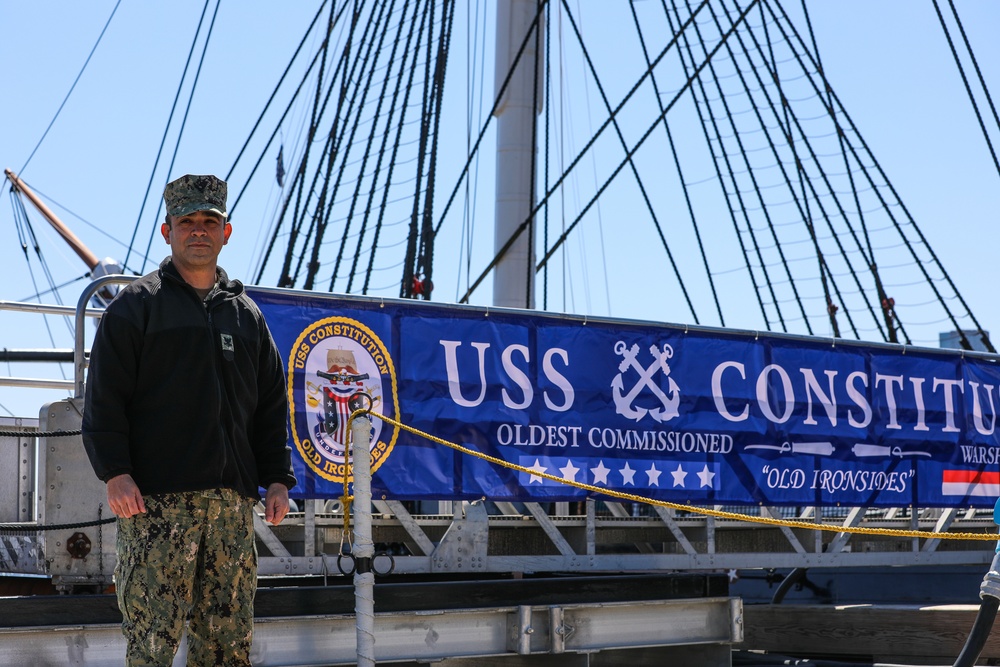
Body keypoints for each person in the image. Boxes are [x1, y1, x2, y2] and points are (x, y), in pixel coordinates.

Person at [82, 174, 297, 666]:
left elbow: (268, 406)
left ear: (226, 232)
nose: (198, 231)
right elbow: (104, 399)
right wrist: (115, 471)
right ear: (167, 231)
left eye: (209, 222)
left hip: (230, 509)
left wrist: (278, 478)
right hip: (157, 506)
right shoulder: (137, 308)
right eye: (187, 222)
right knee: (152, 643)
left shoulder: (246, 317)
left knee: (227, 645)